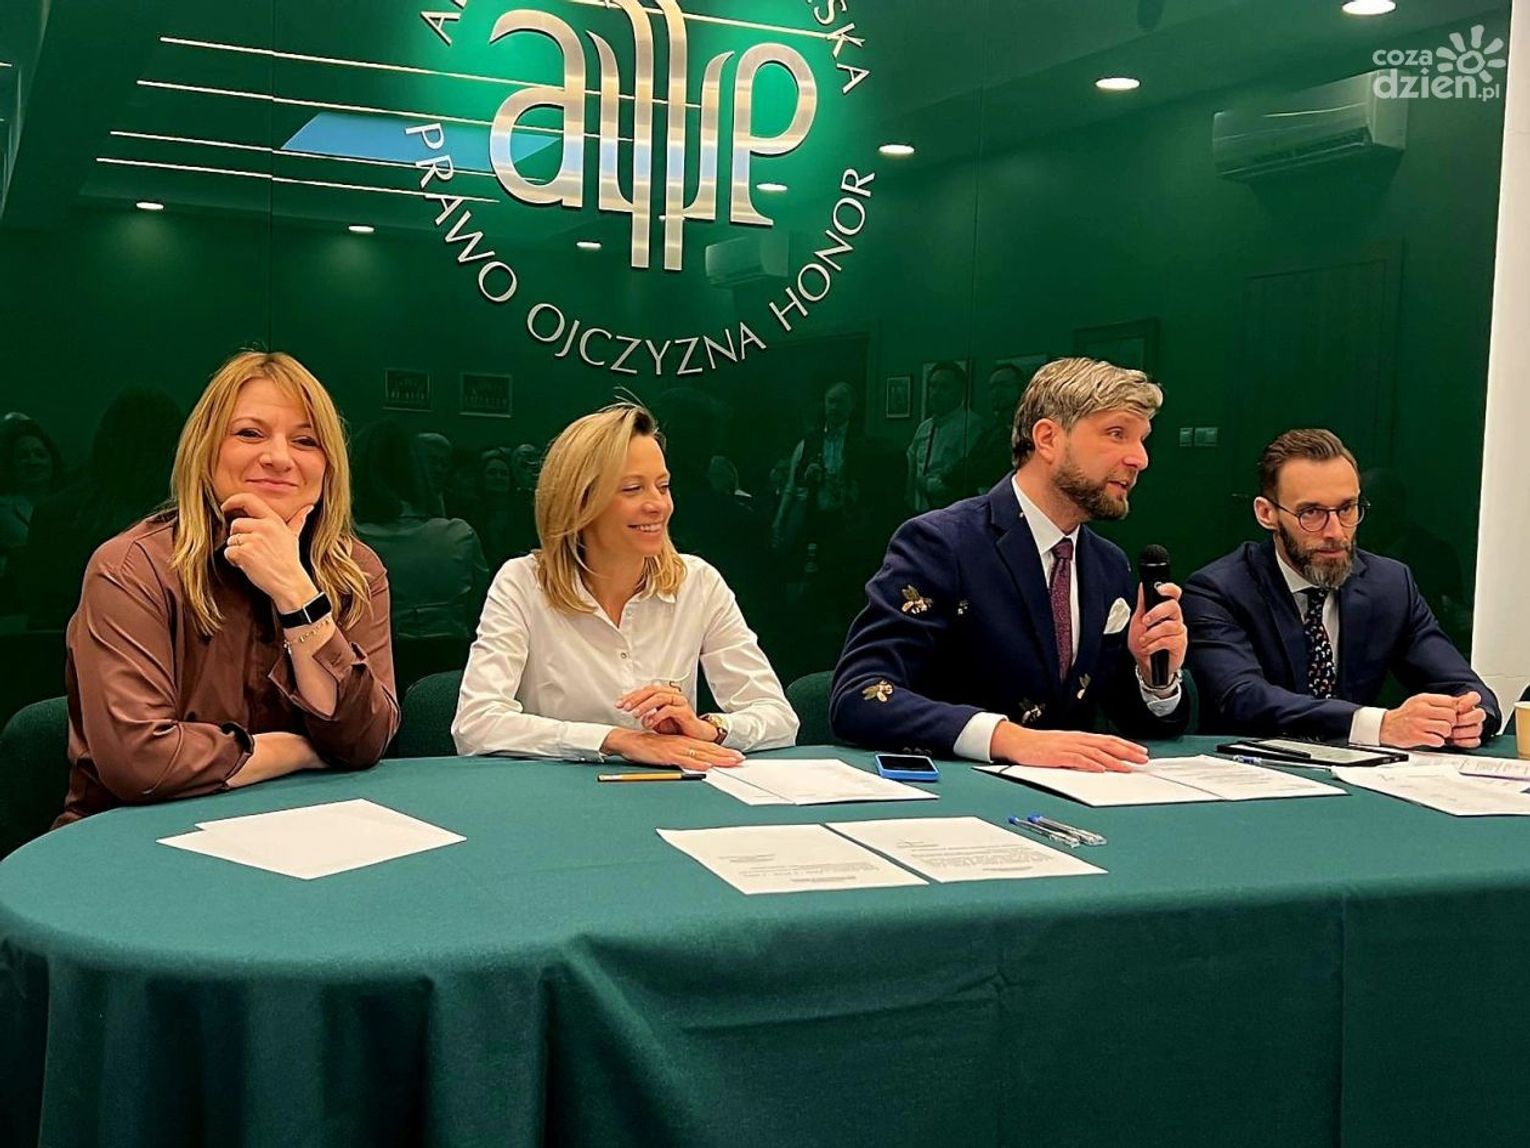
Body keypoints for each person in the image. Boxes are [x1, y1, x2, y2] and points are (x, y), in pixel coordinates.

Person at [55, 351, 399, 827]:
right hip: (132, 838)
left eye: (305, 440)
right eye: (249, 434)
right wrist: (296, 750)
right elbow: (141, 764)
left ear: (328, 466)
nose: (278, 458)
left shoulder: (355, 571)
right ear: (206, 449)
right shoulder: (131, 568)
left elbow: (364, 741)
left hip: (301, 831)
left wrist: (297, 594)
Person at [832, 357, 1189, 772]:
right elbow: (860, 695)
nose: (1140, 459)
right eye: (1117, 434)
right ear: (1048, 439)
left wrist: (1154, 678)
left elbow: (1127, 726)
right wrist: (1008, 739)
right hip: (959, 795)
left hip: (1074, 796)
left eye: (1142, 440)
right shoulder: (943, 543)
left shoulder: (1107, 564)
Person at [452, 401, 798, 767]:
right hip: (556, 793)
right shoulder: (522, 583)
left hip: (669, 792)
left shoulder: (699, 582)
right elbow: (476, 724)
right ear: (578, 500)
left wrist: (708, 728)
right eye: (633, 489)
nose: (658, 505)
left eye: (663, 486)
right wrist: (616, 740)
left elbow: (779, 719)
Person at [1183, 429, 1497, 748]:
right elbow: (1242, 698)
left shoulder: (1390, 584)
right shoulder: (1219, 590)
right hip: (1252, 768)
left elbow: (1463, 685)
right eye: (1311, 513)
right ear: (1267, 514)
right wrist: (1378, 725)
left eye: (1347, 509)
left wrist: (1469, 717)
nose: (1335, 532)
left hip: (1362, 770)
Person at [15, 388, 181, 630]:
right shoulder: (192, 517)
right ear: (176, 443)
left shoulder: (55, 514)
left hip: (68, 648)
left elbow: (41, 614)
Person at [352, 420, 489, 641]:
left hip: (370, 656)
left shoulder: (344, 543)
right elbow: (481, 607)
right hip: (451, 657)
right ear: (419, 470)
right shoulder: (459, 536)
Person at [905, 361, 978, 512]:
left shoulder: (971, 426)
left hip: (952, 513)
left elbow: (968, 476)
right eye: (932, 386)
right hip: (919, 511)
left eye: (944, 387)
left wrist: (927, 485)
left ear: (960, 391)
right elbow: (909, 465)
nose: (935, 393)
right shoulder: (924, 427)